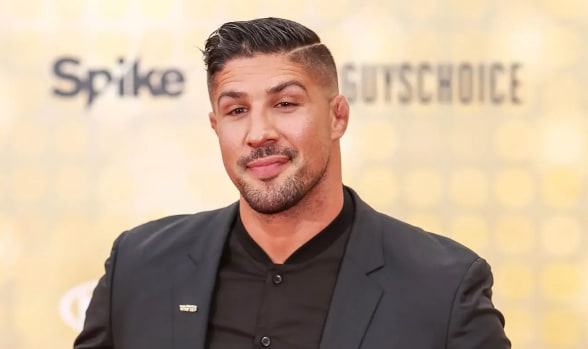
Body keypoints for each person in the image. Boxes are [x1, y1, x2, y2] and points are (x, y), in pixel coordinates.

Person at [74, 17, 511, 349]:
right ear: (215, 126)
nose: (259, 132)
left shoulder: (443, 285)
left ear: (337, 116)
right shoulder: (138, 266)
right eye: (236, 110)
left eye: (285, 103)